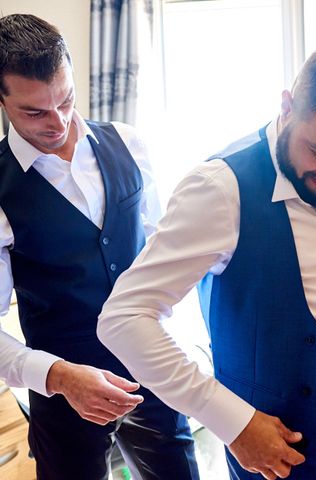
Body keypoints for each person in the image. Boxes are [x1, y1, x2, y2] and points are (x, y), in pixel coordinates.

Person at [98, 46, 316, 480]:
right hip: (275, 450)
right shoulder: (220, 188)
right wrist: (232, 422)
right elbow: (123, 317)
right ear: (287, 106)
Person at [0, 14, 199, 479]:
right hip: (64, 395)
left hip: (153, 372)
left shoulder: (129, 144)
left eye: (66, 99)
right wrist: (59, 377)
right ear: (3, 100)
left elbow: (161, 255)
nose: (59, 121)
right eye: (35, 112)